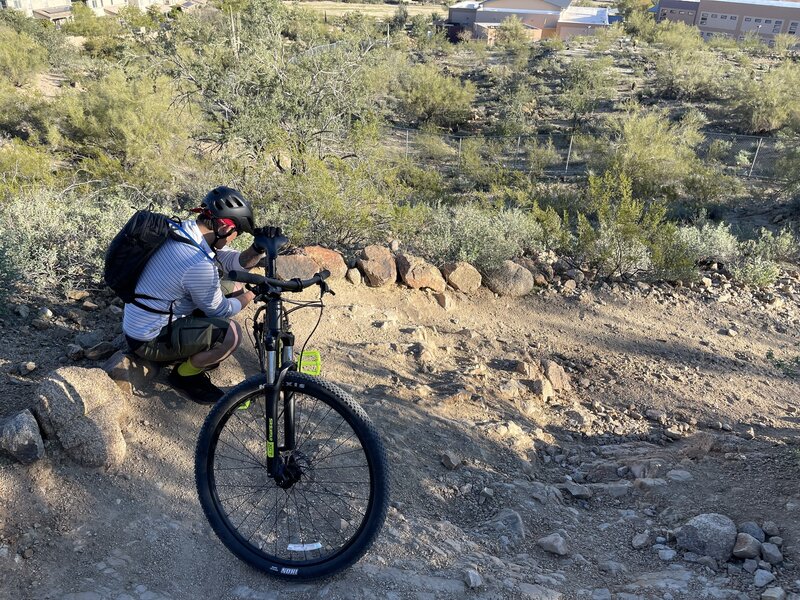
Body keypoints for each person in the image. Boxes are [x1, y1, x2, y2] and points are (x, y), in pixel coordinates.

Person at [122, 186, 266, 404]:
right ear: (225, 228)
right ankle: (185, 375)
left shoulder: (184, 231)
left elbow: (232, 262)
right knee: (232, 334)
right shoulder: (196, 263)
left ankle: (194, 344)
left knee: (232, 285)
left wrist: (257, 248)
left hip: (143, 318)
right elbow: (221, 310)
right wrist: (251, 295)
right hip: (149, 338)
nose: (234, 240)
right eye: (238, 233)